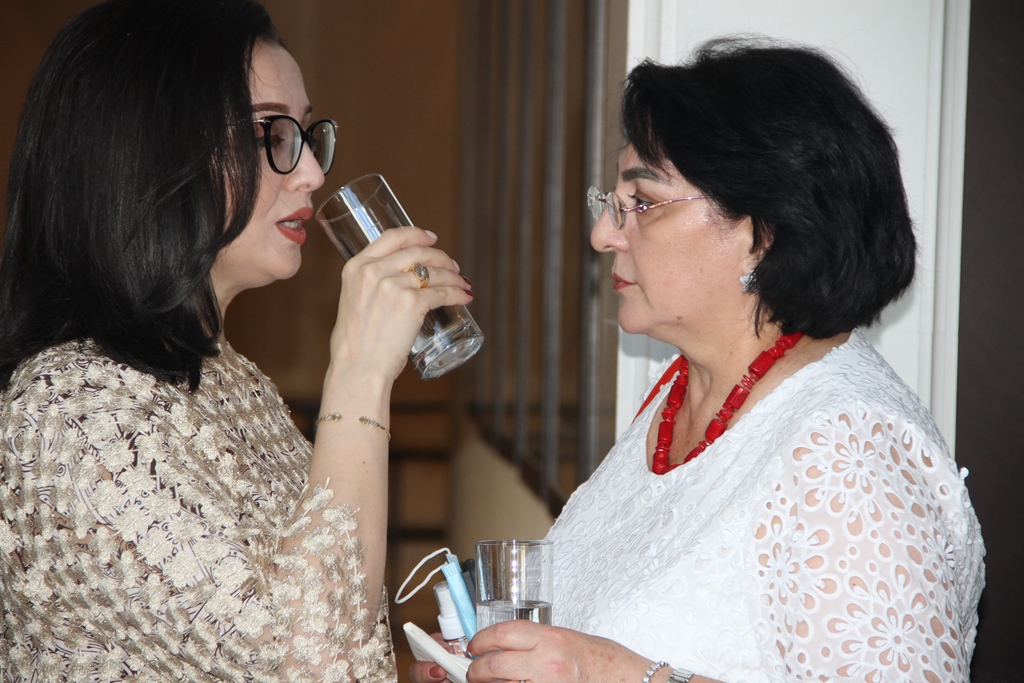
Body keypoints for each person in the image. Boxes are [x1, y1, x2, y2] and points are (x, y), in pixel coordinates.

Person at [412, 38, 984, 683]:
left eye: (643, 203)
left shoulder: (849, 451)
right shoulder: (681, 389)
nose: (603, 234)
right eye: (613, 203)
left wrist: (615, 675)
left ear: (762, 233)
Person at [0, 1, 472, 681]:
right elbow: (306, 664)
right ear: (152, 146)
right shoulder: (70, 410)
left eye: (307, 133)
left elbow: (328, 612)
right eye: (273, 132)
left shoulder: (232, 378)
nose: (311, 173)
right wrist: (361, 372)